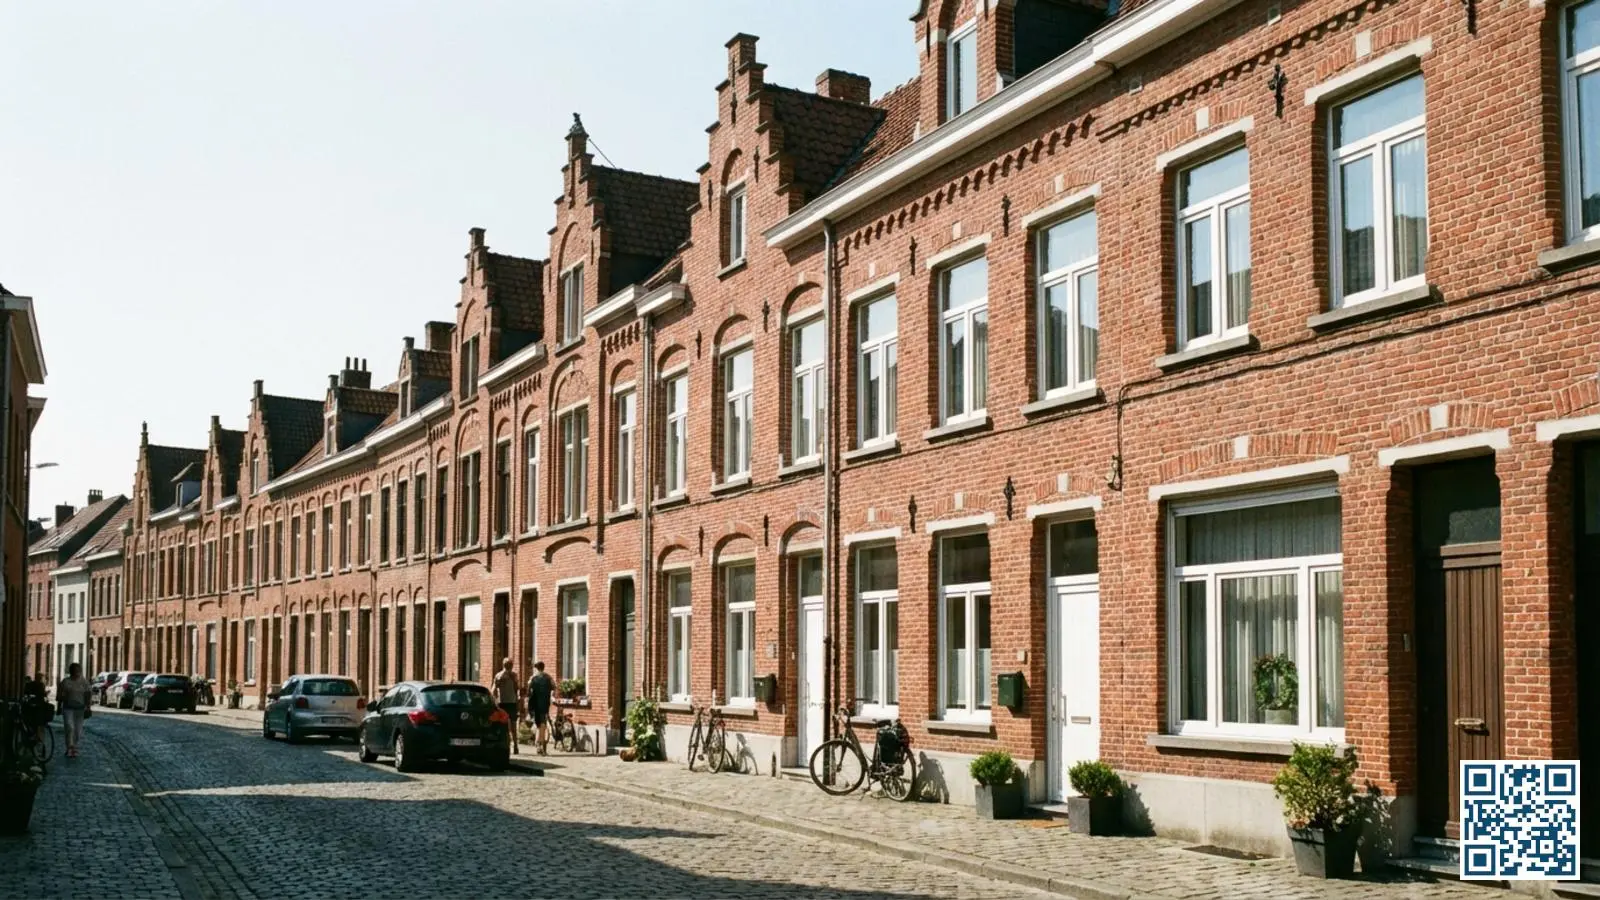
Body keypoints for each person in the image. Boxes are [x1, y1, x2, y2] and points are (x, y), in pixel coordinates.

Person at [56, 663, 92, 758]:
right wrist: (59, 707)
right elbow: (60, 695)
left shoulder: (84, 682)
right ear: (71, 671)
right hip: (68, 708)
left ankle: (74, 746)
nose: (77, 672)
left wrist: (88, 707)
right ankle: (69, 747)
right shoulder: (65, 682)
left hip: (80, 709)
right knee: (69, 727)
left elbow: (88, 694)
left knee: (77, 731)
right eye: (75, 671)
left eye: (78, 670)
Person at [492, 657, 520, 754]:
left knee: (503, 726)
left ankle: (507, 745)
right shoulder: (513, 675)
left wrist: (495, 699)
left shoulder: (498, 675)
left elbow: (493, 690)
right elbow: (517, 689)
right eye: (511, 665)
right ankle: (515, 746)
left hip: (502, 703)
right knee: (513, 725)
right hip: (511, 702)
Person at [526, 661, 555, 755]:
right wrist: (551, 695)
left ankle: (539, 745)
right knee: (542, 724)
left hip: (536, 704)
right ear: (543, 667)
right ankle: (540, 745)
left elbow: (528, 691)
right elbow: (554, 687)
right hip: (545, 704)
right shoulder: (548, 677)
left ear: (536, 668)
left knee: (540, 725)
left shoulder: (533, 678)